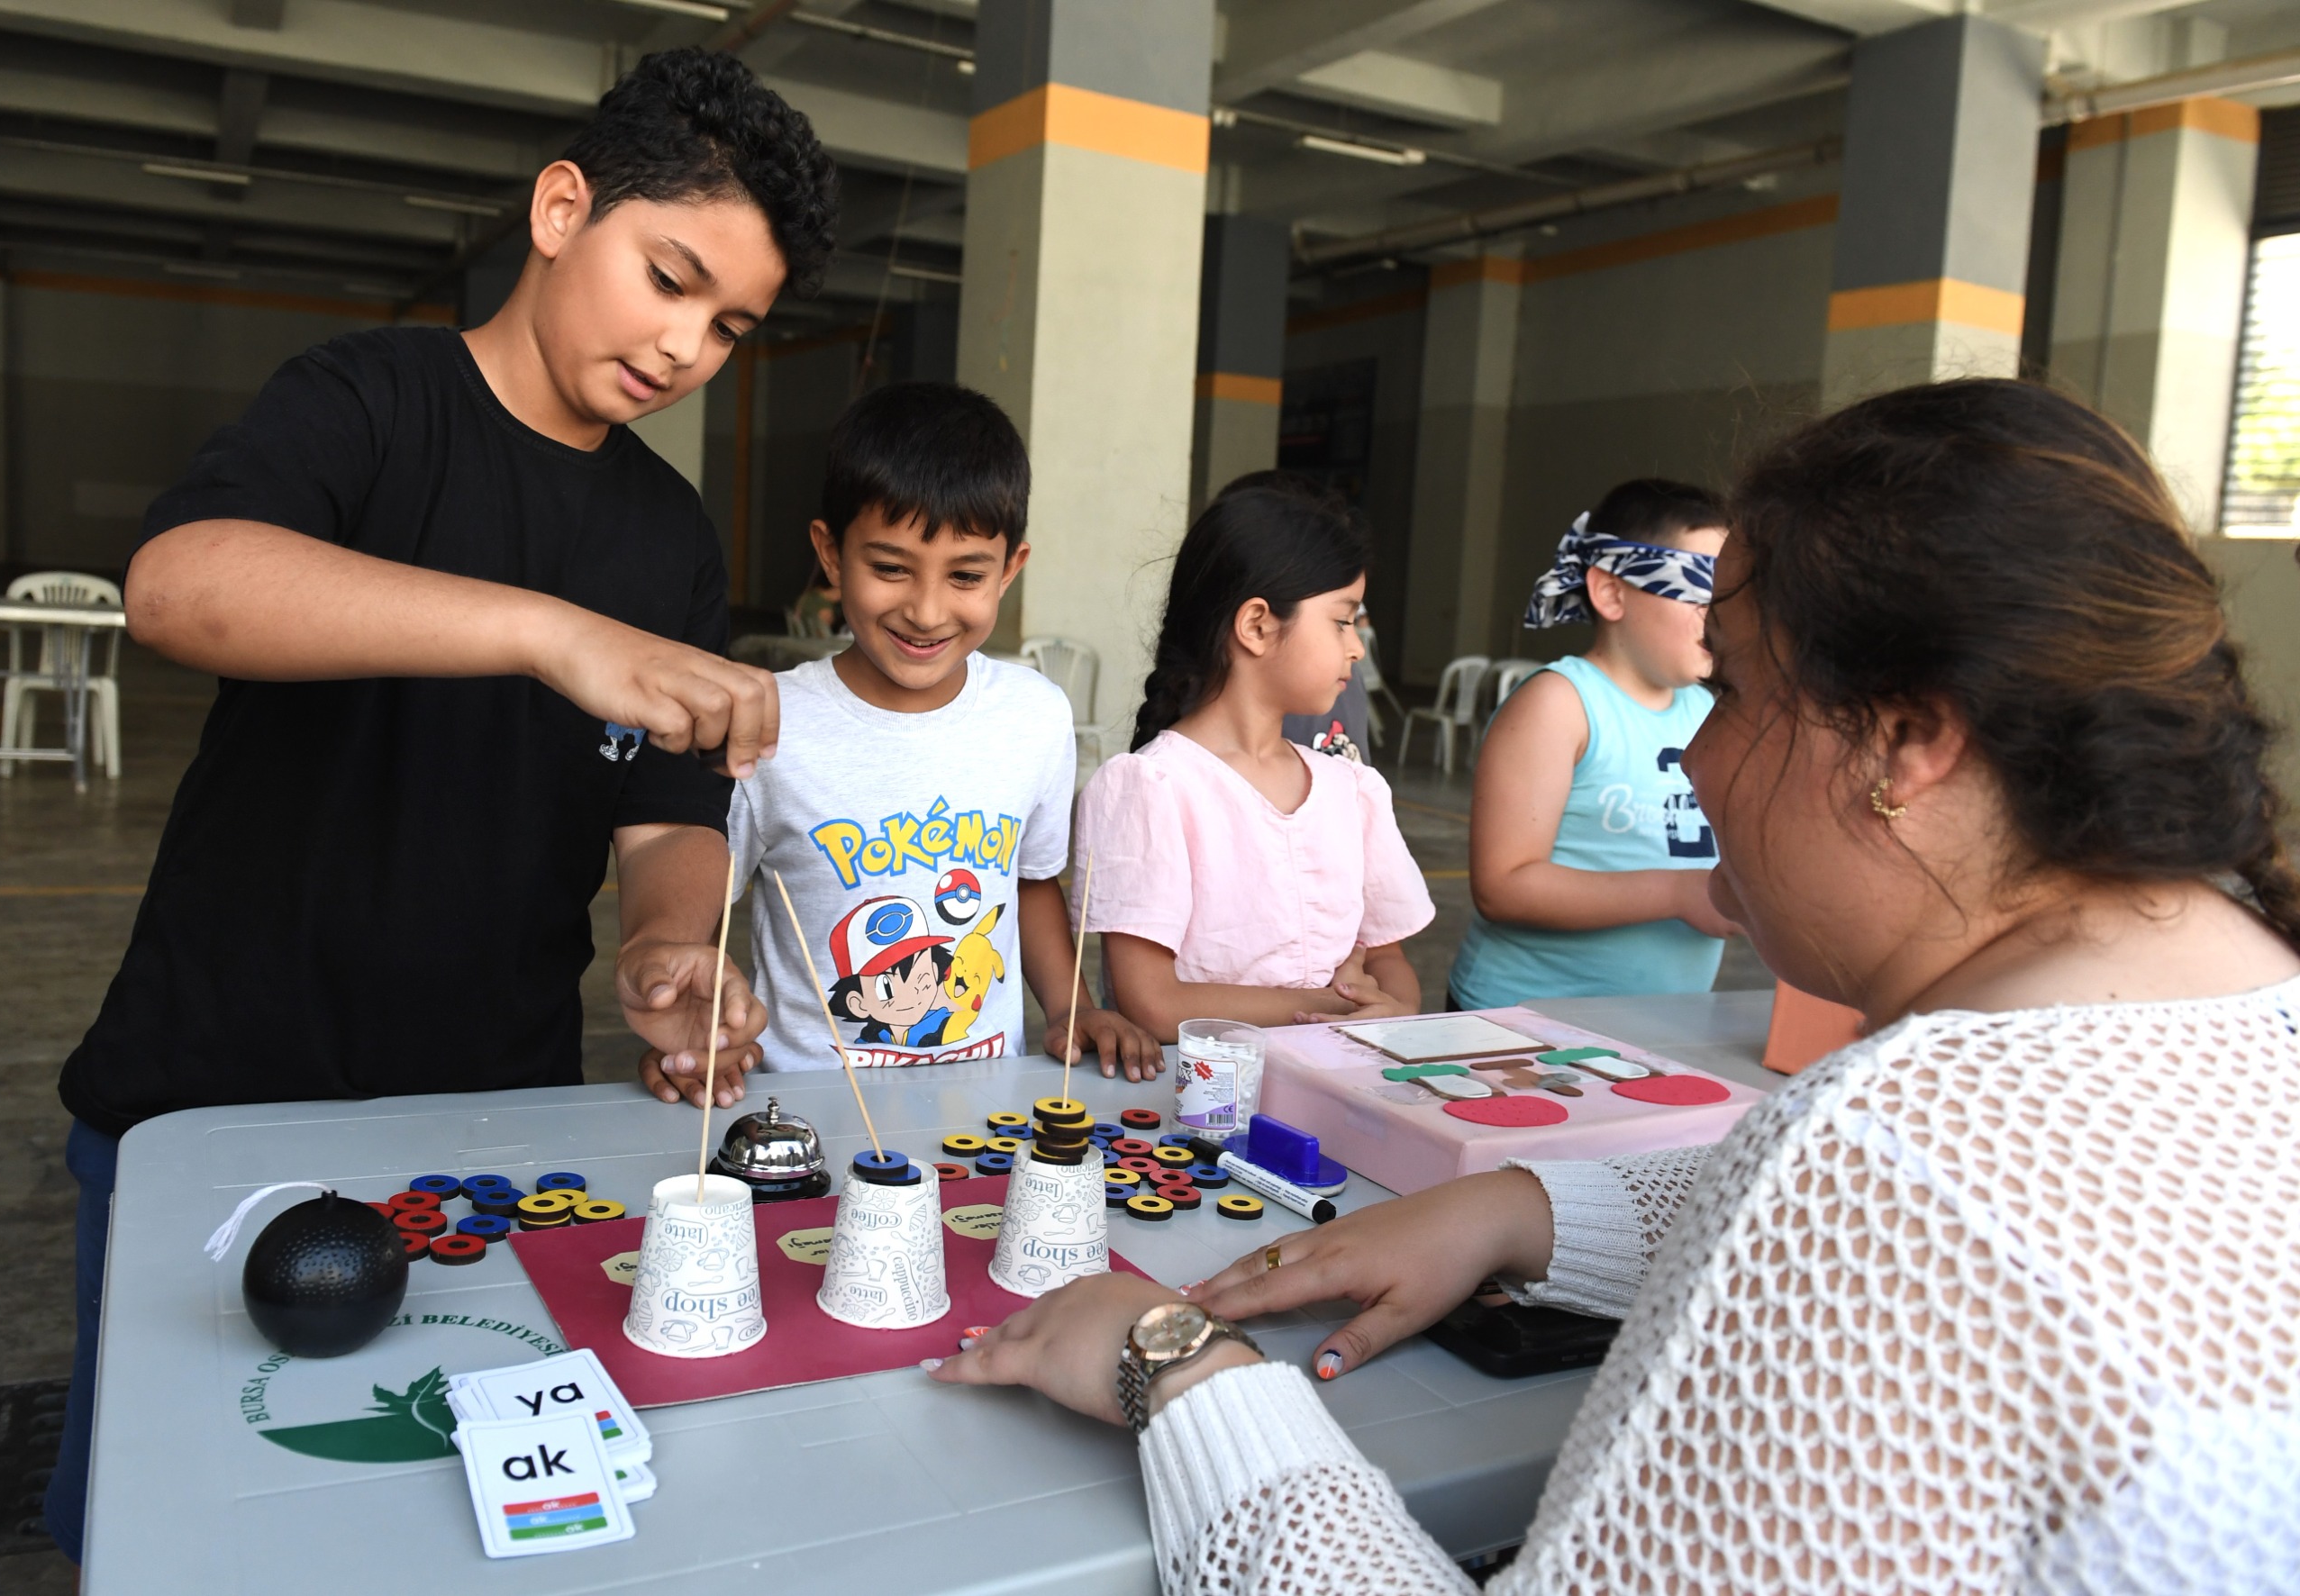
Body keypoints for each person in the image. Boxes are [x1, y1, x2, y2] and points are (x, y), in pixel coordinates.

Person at [928, 379, 2300, 1591]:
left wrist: (1184, 1370)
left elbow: (1903, 1245)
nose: (1695, 763)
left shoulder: (1893, 1163)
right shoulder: (2248, 991)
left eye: (1739, 695)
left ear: (1909, 743)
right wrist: (1530, 1206)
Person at [42, 50, 837, 1565]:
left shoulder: (666, 538)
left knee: (425, 1517)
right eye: (668, 280)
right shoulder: (367, 398)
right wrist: (549, 630)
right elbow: (180, 584)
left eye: (729, 326)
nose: (684, 347)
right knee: (161, 1527)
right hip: (213, 1092)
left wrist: (672, 943)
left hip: (483, 1128)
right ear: (559, 209)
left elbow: (670, 812)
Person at [650, 380, 1160, 1081]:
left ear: (1011, 568)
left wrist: (1070, 1007)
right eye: (890, 568)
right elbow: (703, 884)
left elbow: (1031, 880)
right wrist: (696, 1023)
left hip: (985, 1106)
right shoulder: (770, 723)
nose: (926, 611)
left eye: (966, 575)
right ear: (831, 556)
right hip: (814, 1106)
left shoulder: (1034, 716)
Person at [1070, 475, 1434, 1041]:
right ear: (1258, 625)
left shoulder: (1354, 790)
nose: (1357, 646)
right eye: (1342, 620)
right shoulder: (1151, 787)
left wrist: (1393, 1009)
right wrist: (1331, 1006)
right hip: (1202, 1108)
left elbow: (1390, 965)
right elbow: (1155, 1003)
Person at [1447, 479, 1736, 1010]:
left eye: (1731, 593)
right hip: (1523, 1022)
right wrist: (1677, 894)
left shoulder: (1711, 711)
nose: (1718, 615)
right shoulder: (1561, 705)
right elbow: (1503, 886)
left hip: (1666, 1024)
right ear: (1610, 592)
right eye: (1698, 589)